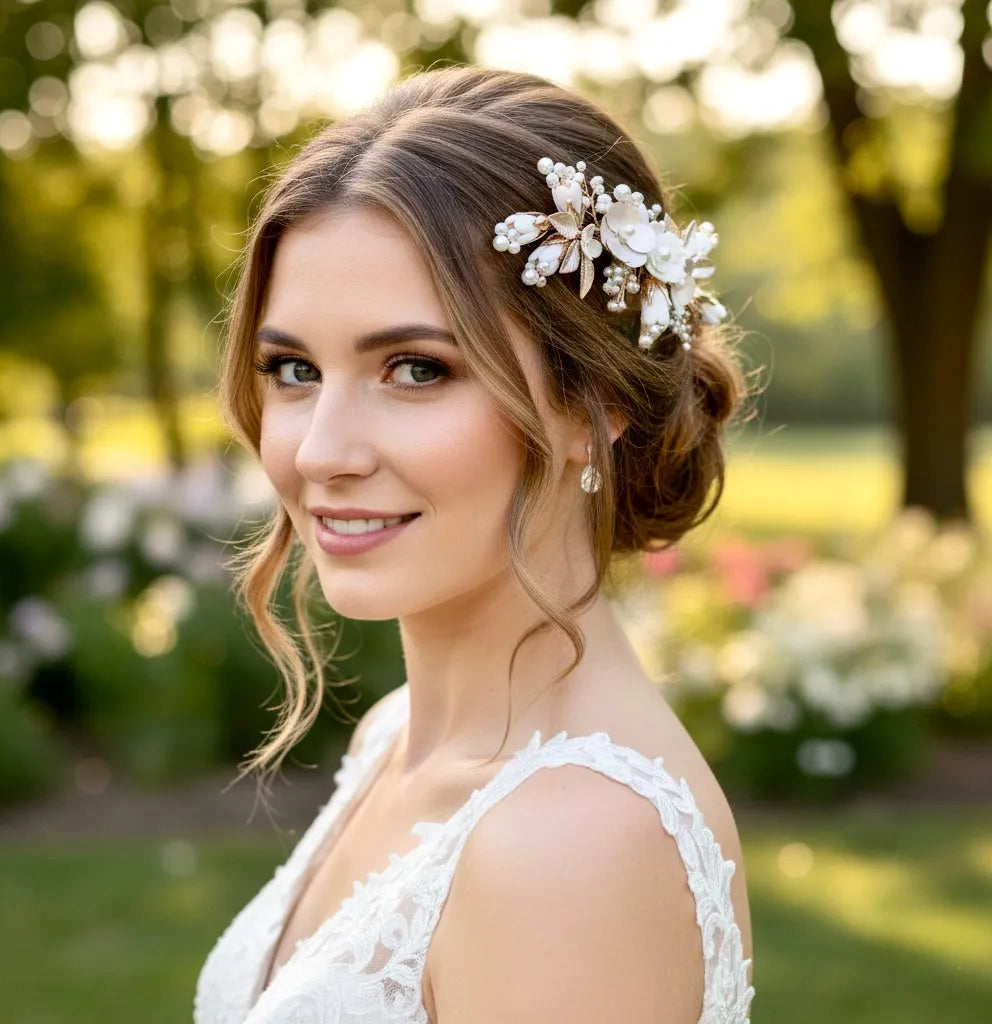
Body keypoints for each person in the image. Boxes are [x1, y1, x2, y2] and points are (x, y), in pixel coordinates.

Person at [196, 64, 756, 1024]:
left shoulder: (571, 844)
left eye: (415, 369)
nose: (320, 451)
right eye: (292, 369)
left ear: (597, 400)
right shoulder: (393, 740)